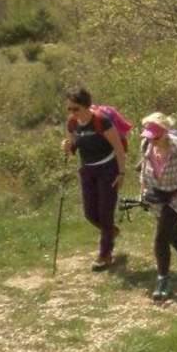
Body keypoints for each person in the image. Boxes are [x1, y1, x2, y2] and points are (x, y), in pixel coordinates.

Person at [138, 112, 177, 301]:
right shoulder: (146, 144)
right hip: (157, 194)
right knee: (172, 231)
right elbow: (144, 169)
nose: (152, 141)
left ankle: (163, 280)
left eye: (155, 137)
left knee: (161, 237)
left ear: (165, 132)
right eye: (149, 136)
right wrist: (143, 191)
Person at [62, 87, 126, 270]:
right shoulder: (72, 124)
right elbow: (73, 148)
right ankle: (111, 232)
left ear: (86, 106)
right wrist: (67, 146)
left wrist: (121, 173)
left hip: (108, 169)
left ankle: (105, 255)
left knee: (106, 214)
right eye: (69, 109)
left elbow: (119, 148)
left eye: (76, 109)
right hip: (87, 170)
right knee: (89, 213)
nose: (72, 113)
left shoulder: (101, 121)